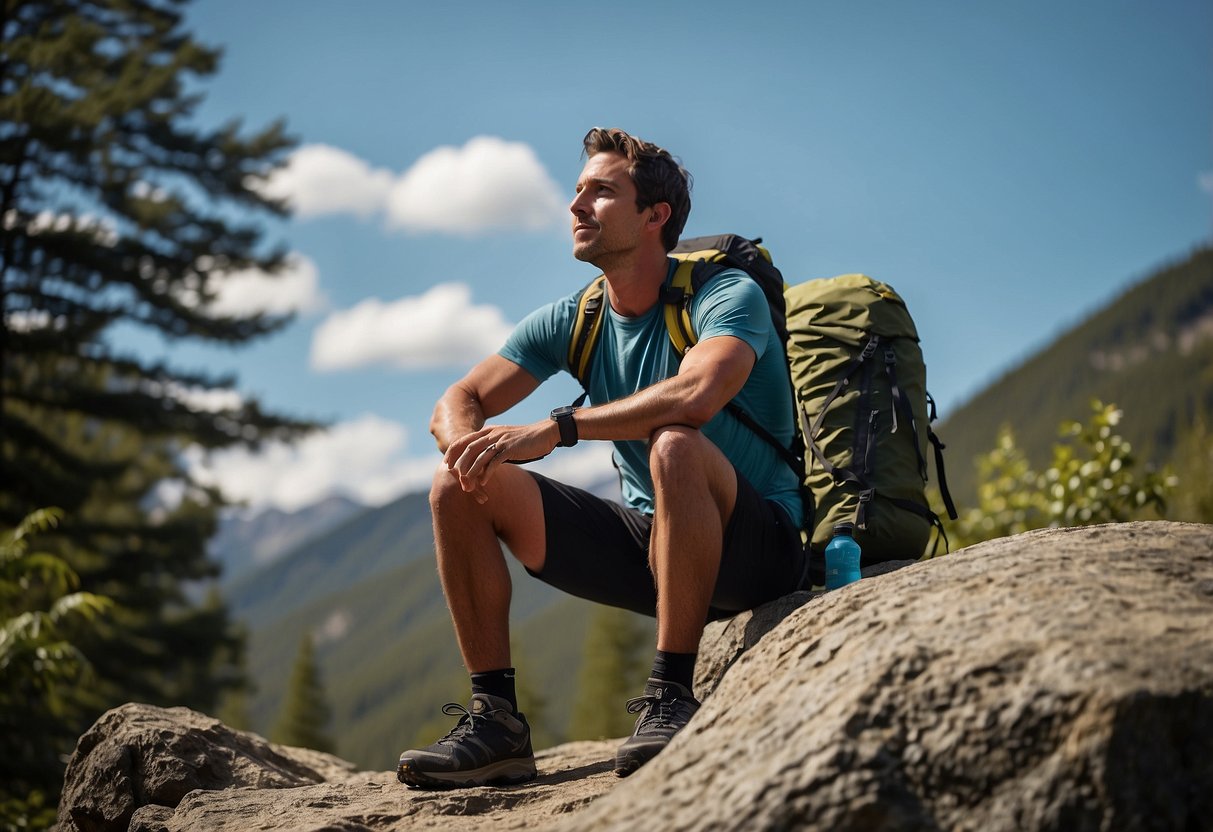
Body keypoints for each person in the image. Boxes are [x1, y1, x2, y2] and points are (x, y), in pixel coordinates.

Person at [396, 127, 806, 790]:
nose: (577, 205)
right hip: (655, 546)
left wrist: (558, 429)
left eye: (602, 192)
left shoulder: (723, 294)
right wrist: (469, 449)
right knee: (455, 483)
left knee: (673, 441)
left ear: (654, 216)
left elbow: (697, 394)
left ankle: (672, 693)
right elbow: (461, 395)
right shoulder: (577, 317)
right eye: (578, 190)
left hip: (758, 548)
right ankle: (496, 723)